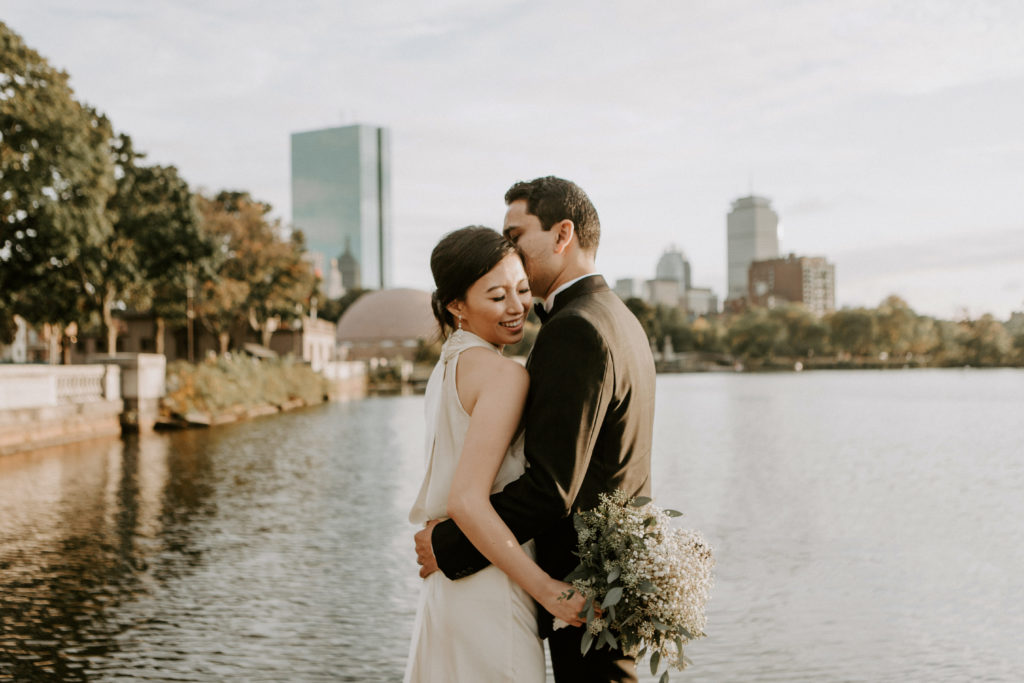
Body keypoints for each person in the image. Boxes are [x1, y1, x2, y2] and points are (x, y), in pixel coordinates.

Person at [415, 177, 656, 682]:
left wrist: (448, 546)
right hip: (578, 583)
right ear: (457, 303)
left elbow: (549, 488)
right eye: (499, 293)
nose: (510, 248)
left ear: (562, 234)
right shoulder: (617, 317)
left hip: (578, 587)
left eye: (516, 233)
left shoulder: (574, 329)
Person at [404, 225, 588, 683]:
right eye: (496, 296)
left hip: (449, 590)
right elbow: (467, 500)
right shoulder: (504, 375)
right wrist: (547, 591)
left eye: (522, 290)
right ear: (455, 305)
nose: (517, 308)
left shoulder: (447, 367)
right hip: (494, 584)